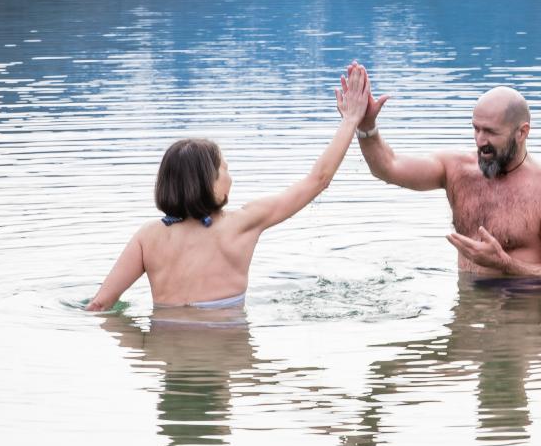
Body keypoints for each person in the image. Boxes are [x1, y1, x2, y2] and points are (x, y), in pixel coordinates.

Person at [85, 66, 369, 312]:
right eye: (225, 169)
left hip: (168, 354)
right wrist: (350, 120)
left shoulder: (148, 237)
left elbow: (99, 305)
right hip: (228, 351)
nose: (230, 177)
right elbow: (317, 180)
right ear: (207, 182)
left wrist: (145, 351)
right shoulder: (242, 224)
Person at [347, 64, 541, 280]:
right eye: (476, 129)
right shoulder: (457, 170)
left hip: (520, 314)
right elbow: (387, 167)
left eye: (491, 132)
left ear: (522, 133)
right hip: (467, 311)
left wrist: (507, 264)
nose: (480, 141)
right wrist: (367, 127)